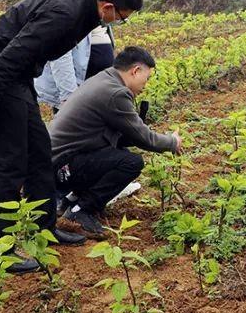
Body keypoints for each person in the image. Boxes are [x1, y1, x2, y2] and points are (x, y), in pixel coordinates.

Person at [0, 0, 144, 272]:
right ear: (109, 7)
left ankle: (43, 229)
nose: (119, 22)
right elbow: (10, 56)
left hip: (18, 76)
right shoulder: (65, 12)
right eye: (122, 17)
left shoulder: (84, 6)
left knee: (39, 153)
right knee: (10, 162)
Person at [49, 46, 181, 234]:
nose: (145, 85)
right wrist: (172, 142)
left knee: (118, 155)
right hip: (60, 167)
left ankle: (70, 201)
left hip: (56, 163)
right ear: (135, 71)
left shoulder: (103, 79)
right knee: (130, 162)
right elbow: (144, 138)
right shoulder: (115, 92)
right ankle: (81, 211)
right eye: (147, 78)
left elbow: (122, 137)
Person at [34, 0, 114, 113]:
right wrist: (69, 98)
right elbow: (59, 56)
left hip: (95, 89)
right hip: (75, 93)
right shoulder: (66, 3)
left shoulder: (93, 1)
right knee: (73, 134)